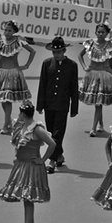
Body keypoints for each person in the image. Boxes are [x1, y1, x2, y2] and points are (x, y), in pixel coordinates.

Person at [0, 100, 56, 223]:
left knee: (28, 199)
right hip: (21, 165)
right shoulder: (22, 126)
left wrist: (43, 159)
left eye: (20, 113)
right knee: (26, 199)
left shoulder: (37, 129)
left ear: (23, 114)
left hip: (32, 167)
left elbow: (52, 144)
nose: (19, 116)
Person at [0, 20, 36, 134]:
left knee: (7, 100)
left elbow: (32, 51)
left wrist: (26, 66)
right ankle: (8, 122)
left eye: (9, 30)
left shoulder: (19, 41)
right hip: (0, 73)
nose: (7, 32)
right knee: (3, 99)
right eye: (5, 30)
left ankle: (6, 124)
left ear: (14, 31)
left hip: (13, 73)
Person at [37, 37, 79, 173]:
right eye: (54, 52)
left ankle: (52, 160)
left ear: (64, 50)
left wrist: (74, 107)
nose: (57, 54)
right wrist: (40, 104)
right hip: (49, 103)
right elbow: (42, 85)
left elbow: (74, 87)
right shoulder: (46, 63)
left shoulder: (72, 65)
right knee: (50, 132)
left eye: (59, 52)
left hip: (62, 104)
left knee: (58, 133)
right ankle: (59, 154)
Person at [78, 24, 112, 137]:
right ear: (95, 32)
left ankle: (93, 128)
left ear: (106, 33)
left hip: (104, 76)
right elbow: (80, 55)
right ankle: (101, 124)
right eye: (98, 32)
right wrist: (84, 67)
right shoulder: (90, 43)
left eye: (102, 32)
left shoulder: (110, 44)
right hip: (91, 75)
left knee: (99, 102)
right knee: (98, 102)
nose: (100, 34)